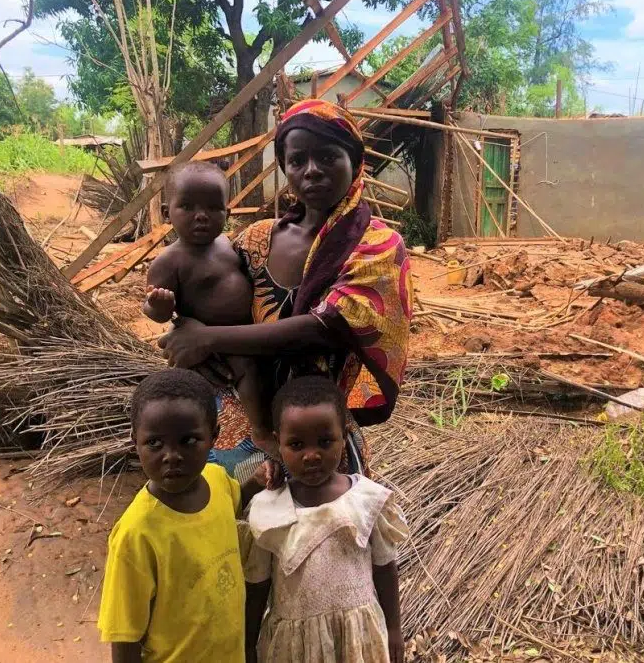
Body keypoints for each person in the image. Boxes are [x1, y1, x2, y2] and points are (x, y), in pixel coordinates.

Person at [157, 99, 412, 485]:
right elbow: (206, 297)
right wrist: (191, 341)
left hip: (316, 433)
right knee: (235, 528)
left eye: (327, 156)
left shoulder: (377, 244)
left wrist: (208, 338)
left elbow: (324, 327)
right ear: (285, 167)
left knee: (317, 533)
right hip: (239, 415)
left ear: (356, 161)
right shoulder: (257, 237)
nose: (311, 171)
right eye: (297, 161)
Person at [242, 375, 408, 663]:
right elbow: (257, 585)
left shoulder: (368, 500)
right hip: (294, 647)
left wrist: (394, 629)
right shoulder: (267, 511)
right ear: (276, 443)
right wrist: (248, 644)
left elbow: (384, 568)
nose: (311, 455)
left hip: (359, 639)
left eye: (324, 441)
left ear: (343, 437)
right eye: (296, 445)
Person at [97, 369, 246, 663]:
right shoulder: (136, 534)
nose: (171, 455)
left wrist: (266, 477)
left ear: (214, 436)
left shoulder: (217, 480)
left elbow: (237, 501)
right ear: (134, 441)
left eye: (188, 441)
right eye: (155, 443)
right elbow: (125, 639)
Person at [142, 162, 270, 447]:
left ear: (228, 212)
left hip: (242, 332)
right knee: (246, 371)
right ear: (166, 212)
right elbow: (153, 311)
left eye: (213, 208)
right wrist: (161, 305)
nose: (201, 217)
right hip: (214, 341)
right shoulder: (170, 260)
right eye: (187, 207)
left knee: (260, 371)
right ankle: (261, 431)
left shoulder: (228, 244)